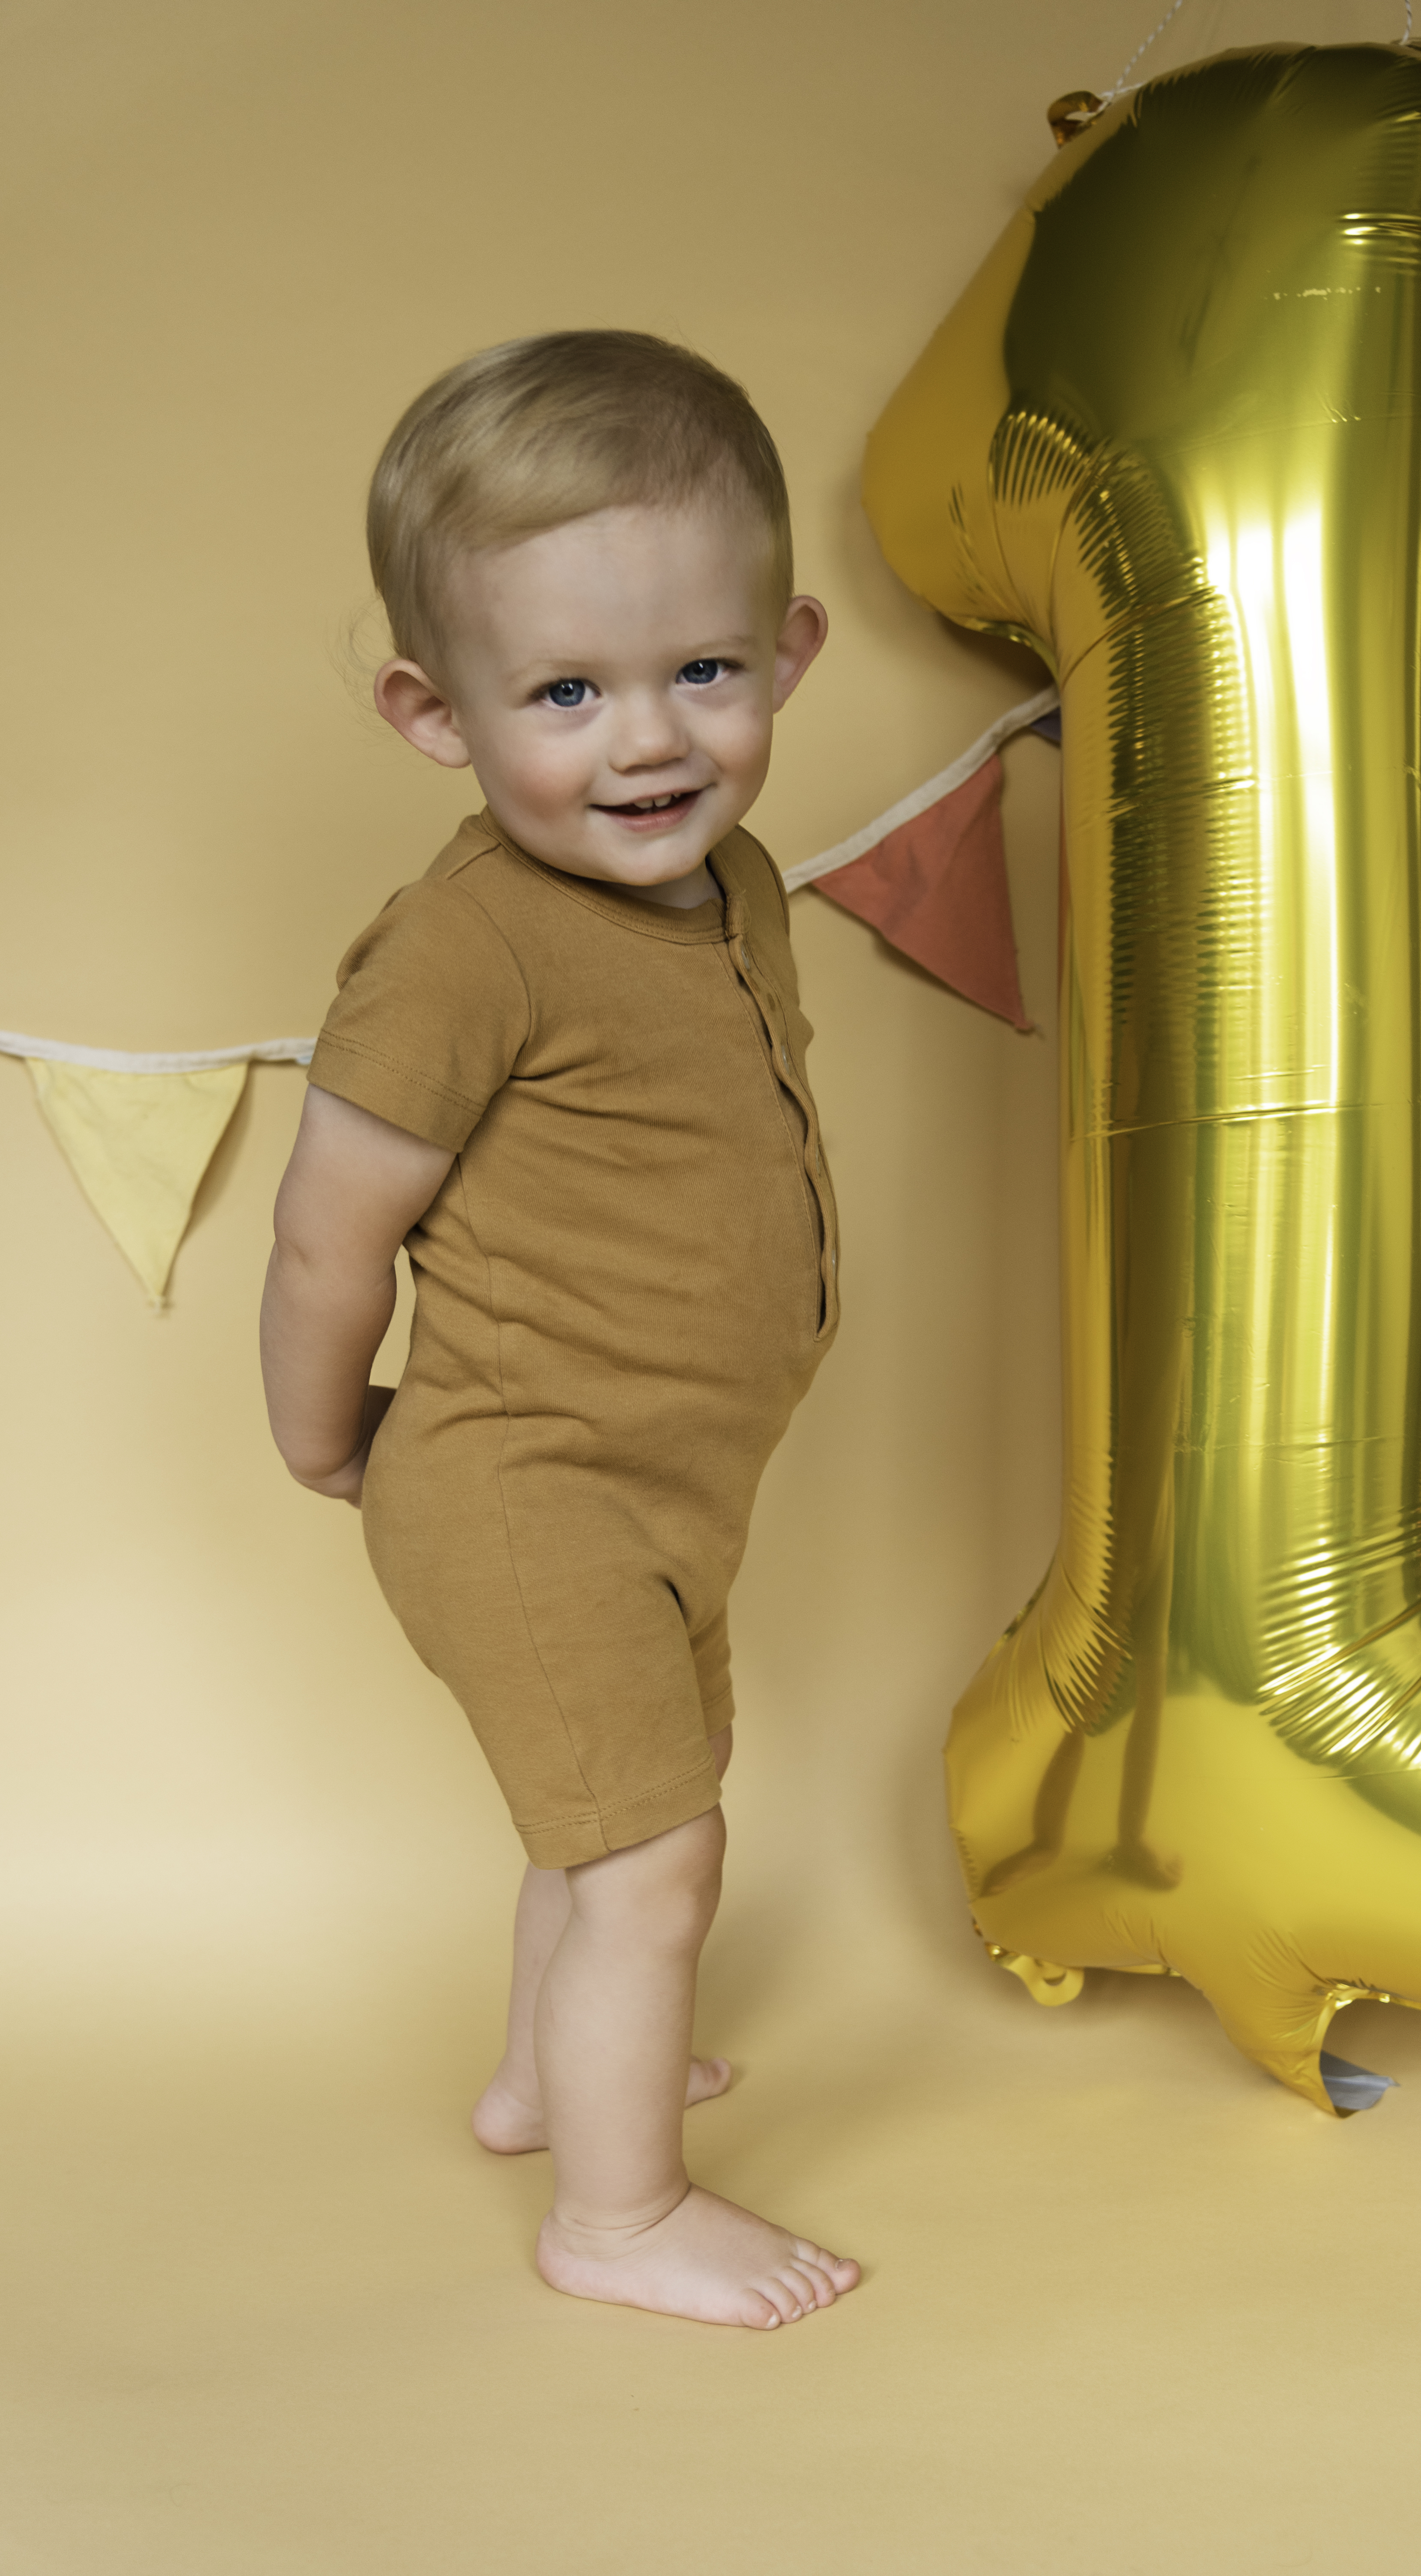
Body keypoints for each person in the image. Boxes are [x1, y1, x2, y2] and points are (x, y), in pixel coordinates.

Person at [260, 331, 859, 2329]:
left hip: (663, 1477)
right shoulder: (462, 945)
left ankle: (549, 2072)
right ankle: (615, 2214)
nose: (645, 742)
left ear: (784, 651)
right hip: (524, 1483)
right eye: (566, 693)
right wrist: (321, 1428)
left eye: (697, 670)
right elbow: (330, 1228)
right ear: (436, 714)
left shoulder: (734, 876)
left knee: (616, 1811)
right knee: (657, 1860)